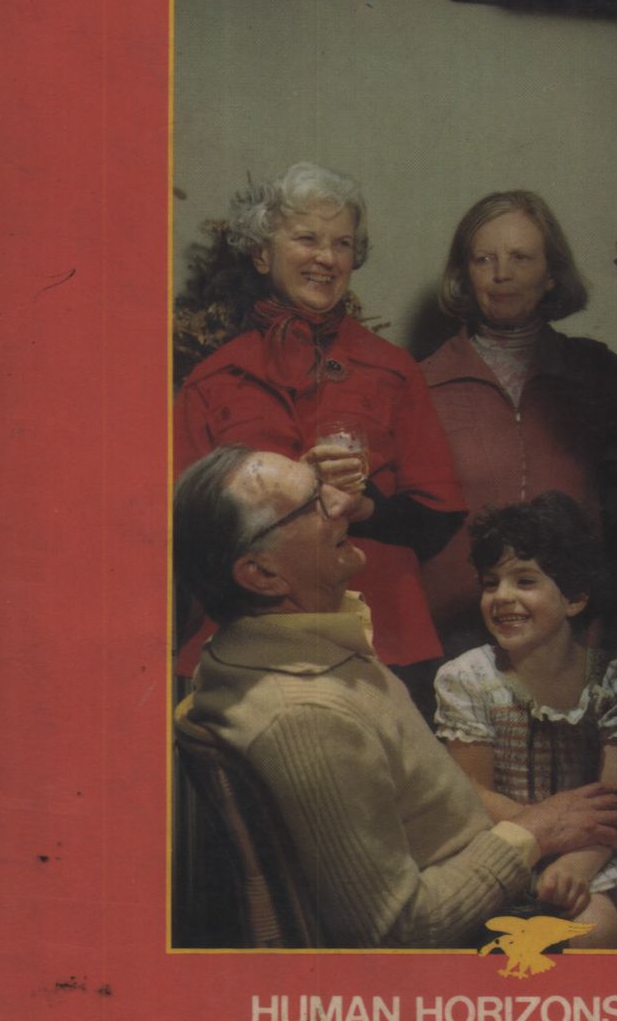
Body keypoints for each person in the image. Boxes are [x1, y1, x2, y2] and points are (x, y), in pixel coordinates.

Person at [174, 446, 617, 949]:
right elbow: (395, 929)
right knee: (603, 928)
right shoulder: (304, 715)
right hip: (463, 929)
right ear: (263, 575)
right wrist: (534, 832)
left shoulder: (288, 642)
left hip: (482, 870)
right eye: (312, 503)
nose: (344, 502)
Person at [173, 161, 465, 702]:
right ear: (262, 254)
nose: (326, 258)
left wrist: (366, 506)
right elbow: (185, 533)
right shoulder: (211, 381)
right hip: (245, 644)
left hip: (381, 640)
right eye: (306, 238)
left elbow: (439, 519)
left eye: (342, 243)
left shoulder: (394, 371)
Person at [435, 492, 617, 950]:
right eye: (491, 583)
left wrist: (581, 859)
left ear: (575, 598)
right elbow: (472, 793)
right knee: (594, 925)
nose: (503, 597)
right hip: (517, 841)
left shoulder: (612, 674)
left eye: (524, 581)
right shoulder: (468, 678)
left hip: (603, 841)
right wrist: (548, 836)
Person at [421, 190, 617, 653]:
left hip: (574, 638)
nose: (502, 274)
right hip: (458, 638)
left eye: (521, 258)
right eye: (484, 259)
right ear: (465, 275)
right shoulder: (421, 384)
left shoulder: (597, 372)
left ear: (551, 275)